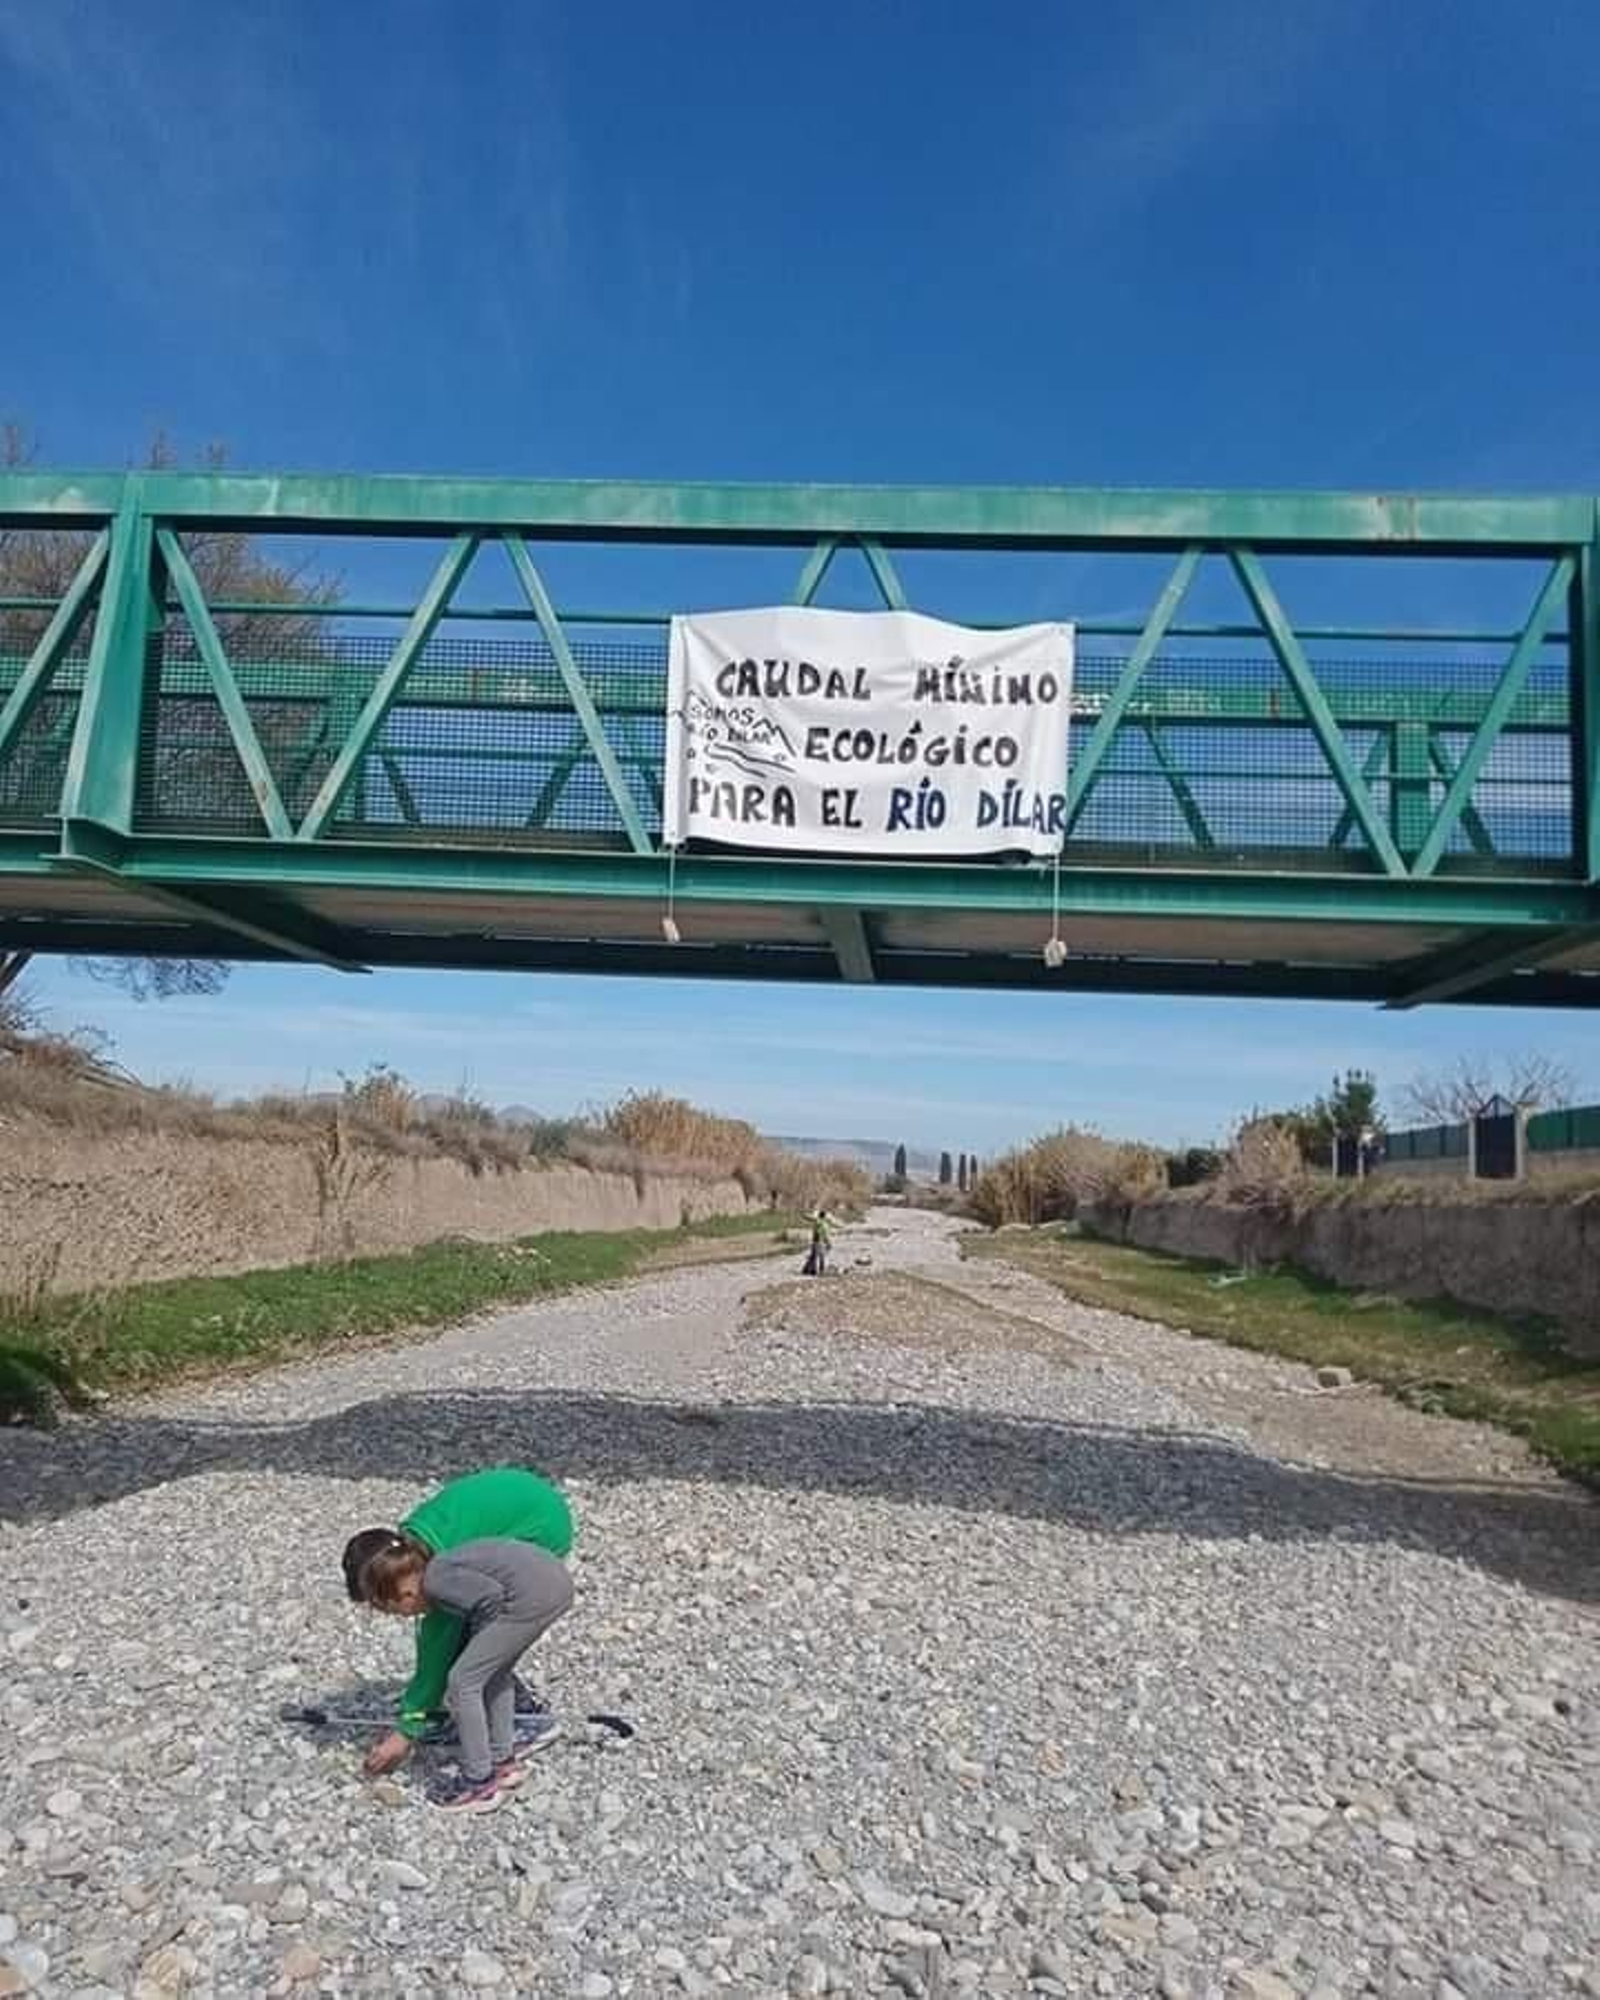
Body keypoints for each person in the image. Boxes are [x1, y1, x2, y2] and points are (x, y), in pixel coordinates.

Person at [342, 1464, 573, 1779]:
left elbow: (437, 1648)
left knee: (474, 1648)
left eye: (391, 1608)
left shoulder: (439, 1572)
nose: (404, 1615)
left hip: (540, 1526)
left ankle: (521, 1721)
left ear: (400, 1589)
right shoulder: (415, 1546)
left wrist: (408, 1729)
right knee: (479, 1641)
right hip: (530, 1500)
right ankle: (483, 1719)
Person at [362, 1535, 573, 1812]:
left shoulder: (436, 1581)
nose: (407, 1617)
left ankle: (479, 1782)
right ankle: (504, 1762)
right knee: (495, 1674)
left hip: (532, 1595)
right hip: (551, 1584)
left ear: (406, 1594)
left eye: (396, 1611)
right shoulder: (440, 1568)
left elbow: (491, 1599)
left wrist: (479, 1640)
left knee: (463, 1682)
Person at [803, 1206, 832, 1277]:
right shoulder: (824, 1224)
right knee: (821, 1257)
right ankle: (819, 1270)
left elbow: (807, 1217)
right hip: (820, 1242)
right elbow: (825, 1235)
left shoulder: (816, 1222)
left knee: (813, 1256)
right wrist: (829, 1243)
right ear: (825, 1217)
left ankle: (808, 1270)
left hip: (814, 1242)